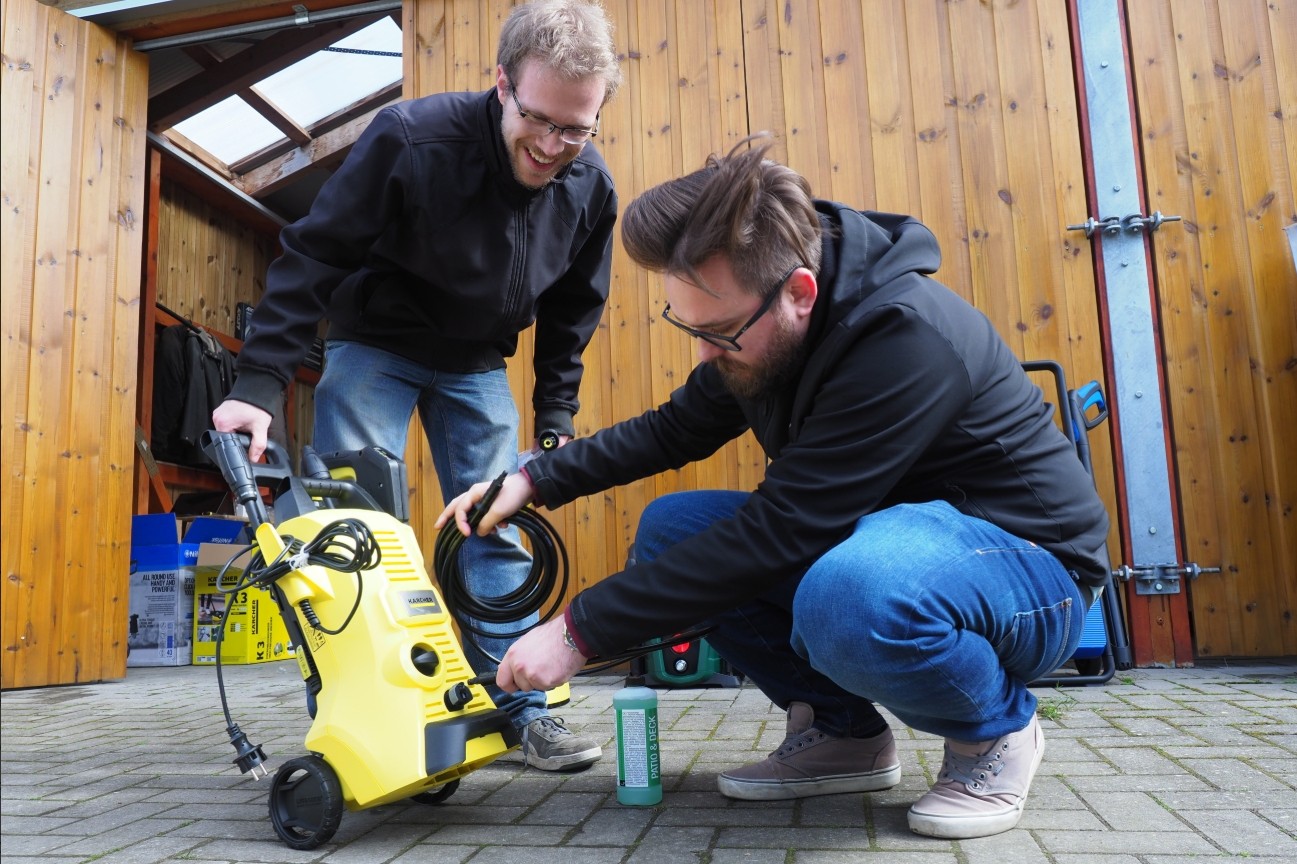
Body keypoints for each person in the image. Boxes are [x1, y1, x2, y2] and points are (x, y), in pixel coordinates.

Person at [438, 135, 1111, 838]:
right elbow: (674, 429)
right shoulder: (764, 335)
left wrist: (577, 631)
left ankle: (995, 733)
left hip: (1030, 572)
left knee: (850, 593)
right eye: (689, 327)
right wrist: (532, 477)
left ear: (798, 292)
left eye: (720, 331)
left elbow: (781, 529)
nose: (704, 352)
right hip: (895, 549)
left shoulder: (903, 340)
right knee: (674, 529)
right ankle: (841, 731)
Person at [212, 0, 623, 773]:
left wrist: (556, 412)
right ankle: (356, 710)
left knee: (495, 528)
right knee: (352, 529)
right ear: (502, 84)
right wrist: (260, 383)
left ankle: (522, 709)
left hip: (477, 364)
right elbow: (316, 253)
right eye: (540, 119)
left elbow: (575, 307)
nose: (554, 145)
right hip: (376, 344)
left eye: (578, 128)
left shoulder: (588, 185)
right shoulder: (411, 138)